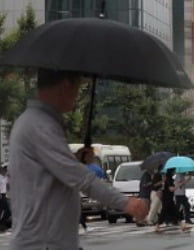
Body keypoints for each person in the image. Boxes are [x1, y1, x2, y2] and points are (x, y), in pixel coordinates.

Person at [8, 69, 148, 250]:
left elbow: (54, 175)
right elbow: (81, 178)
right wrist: (127, 203)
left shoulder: (35, 122)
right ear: (66, 85)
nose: (77, 95)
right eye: (78, 86)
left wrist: (76, 160)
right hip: (44, 242)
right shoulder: (39, 125)